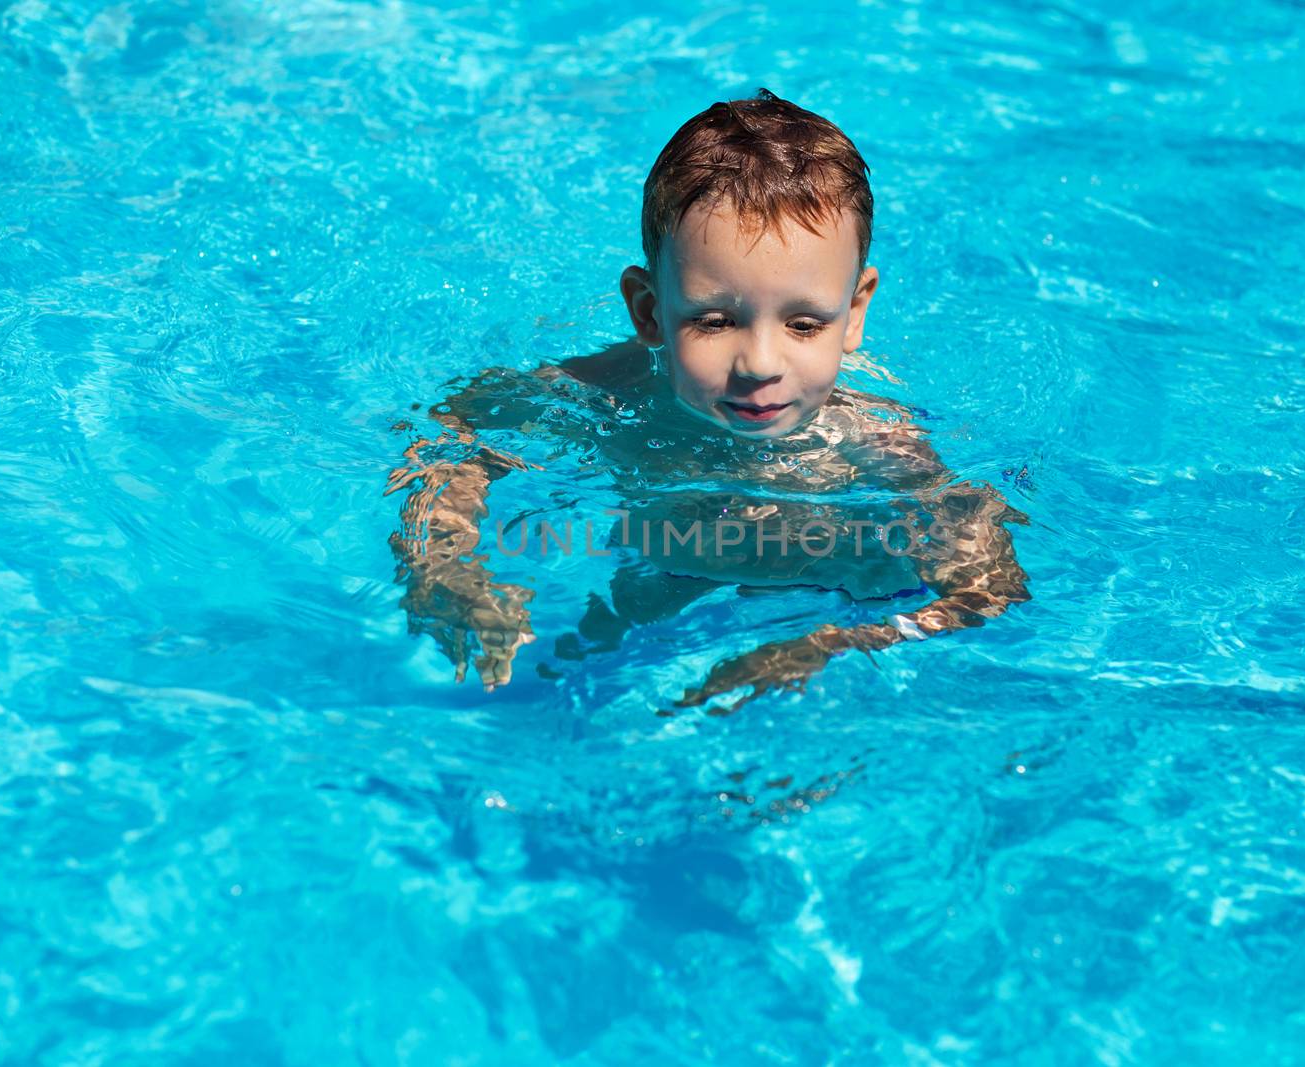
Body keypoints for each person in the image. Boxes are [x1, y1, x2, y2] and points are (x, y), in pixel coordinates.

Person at [386, 88, 1030, 713]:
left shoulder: (869, 434)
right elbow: (460, 426)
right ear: (650, 310)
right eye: (716, 321)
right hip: (661, 567)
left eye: (805, 325)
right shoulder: (606, 391)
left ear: (854, 313)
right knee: (549, 690)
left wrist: (831, 644)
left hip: (828, 583)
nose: (760, 364)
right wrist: (443, 565)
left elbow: (990, 587)